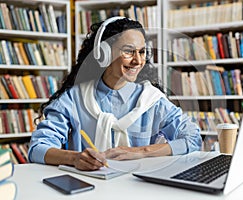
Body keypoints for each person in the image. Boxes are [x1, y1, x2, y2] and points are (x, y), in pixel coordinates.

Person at [28, 17, 202, 171]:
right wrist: (75, 158)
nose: (138, 61)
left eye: (141, 52)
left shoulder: (152, 100)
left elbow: (193, 138)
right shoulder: (74, 99)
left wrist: (141, 152)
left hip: (139, 189)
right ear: (103, 54)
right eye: (128, 51)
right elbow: (38, 148)